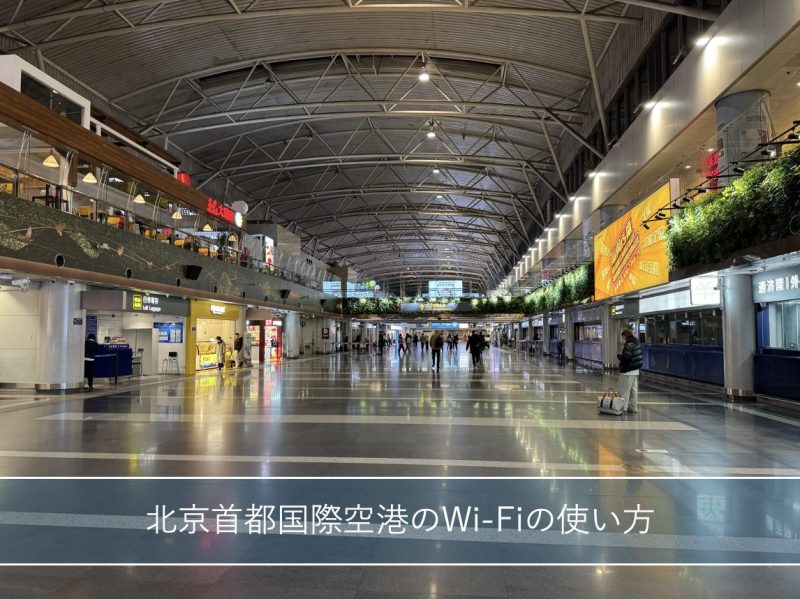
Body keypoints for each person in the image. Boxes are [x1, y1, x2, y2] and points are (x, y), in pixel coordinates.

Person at [617, 329, 643, 414]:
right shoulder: (637, 343)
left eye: (623, 337)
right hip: (635, 370)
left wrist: (620, 357)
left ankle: (623, 407)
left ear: (625, 336)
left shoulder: (628, 344)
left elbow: (626, 358)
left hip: (628, 371)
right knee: (633, 390)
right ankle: (633, 407)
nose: (622, 339)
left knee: (623, 389)